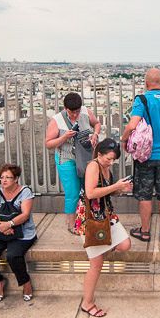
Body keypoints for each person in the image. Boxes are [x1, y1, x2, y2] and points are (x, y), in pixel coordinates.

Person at [121, 68, 160, 244]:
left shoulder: (141, 100)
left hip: (145, 156)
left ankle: (145, 231)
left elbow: (132, 125)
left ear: (146, 83)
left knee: (145, 195)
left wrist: (123, 140)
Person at [79, 139, 133, 318]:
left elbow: (107, 190)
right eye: (109, 159)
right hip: (91, 218)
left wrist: (120, 189)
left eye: (113, 160)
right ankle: (87, 303)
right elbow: (91, 193)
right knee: (96, 264)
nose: (111, 162)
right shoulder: (93, 166)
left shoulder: (105, 166)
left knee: (125, 244)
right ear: (99, 154)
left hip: (105, 213)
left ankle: (101, 247)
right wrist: (116, 186)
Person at [0, 164, 36, 303]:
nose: (4, 180)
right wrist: (0, 225)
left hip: (22, 232)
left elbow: (25, 214)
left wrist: (9, 224)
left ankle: (26, 283)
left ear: (16, 179)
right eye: (2, 177)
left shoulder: (25, 192)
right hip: (0, 230)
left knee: (13, 255)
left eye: (8, 177)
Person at [44, 93, 101, 233]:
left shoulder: (86, 113)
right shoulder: (57, 120)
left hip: (85, 157)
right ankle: (71, 223)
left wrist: (95, 134)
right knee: (73, 192)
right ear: (65, 108)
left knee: (88, 190)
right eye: (72, 112)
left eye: (77, 111)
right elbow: (48, 143)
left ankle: (87, 218)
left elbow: (97, 123)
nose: (75, 115)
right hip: (66, 158)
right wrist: (64, 137)